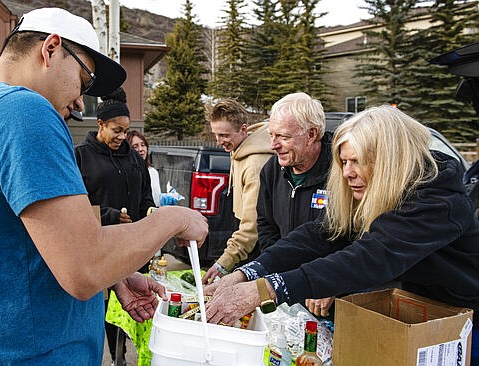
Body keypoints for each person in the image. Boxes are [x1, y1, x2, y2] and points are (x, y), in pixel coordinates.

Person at [0, 7, 207, 364]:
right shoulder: (23, 111)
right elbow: (84, 266)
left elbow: (21, 243)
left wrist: (115, 273)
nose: (81, 102)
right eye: (84, 80)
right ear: (50, 49)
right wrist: (172, 219)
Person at [204, 105, 479, 362]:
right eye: (343, 162)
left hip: (465, 320)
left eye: (356, 161)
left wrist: (266, 289)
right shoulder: (381, 190)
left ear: (387, 161)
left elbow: (371, 256)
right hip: (418, 310)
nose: (347, 173)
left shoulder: (437, 200)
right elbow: (321, 233)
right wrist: (247, 273)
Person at [74, 87, 155, 365]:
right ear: (100, 125)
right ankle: (112, 357)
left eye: (126, 131)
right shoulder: (81, 156)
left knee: (134, 306)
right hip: (100, 248)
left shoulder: (133, 158)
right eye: (116, 130)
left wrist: (150, 212)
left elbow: (146, 194)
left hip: (133, 247)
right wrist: (109, 215)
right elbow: (75, 207)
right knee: (104, 310)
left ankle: (131, 356)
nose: (122, 137)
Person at [202, 98, 274, 284]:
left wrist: (224, 263)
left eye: (224, 135)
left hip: (257, 247)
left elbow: (252, 226)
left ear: (243, 129)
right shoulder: (240, 149)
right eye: (216, 135)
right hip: (246, 244)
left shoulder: (254, 165)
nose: (219, 141)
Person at [257, 92, 332, 252]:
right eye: (271, 135)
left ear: (311, 135)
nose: (273, 145)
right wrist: (276, 264)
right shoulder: (271, 171)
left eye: (283, 137)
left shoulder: (341, 170)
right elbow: (266, 226)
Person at [127, 130, 162, 206]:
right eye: (135, 147)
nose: (140, 149)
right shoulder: (127, 173)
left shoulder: (153, 172)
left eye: (143, 145)